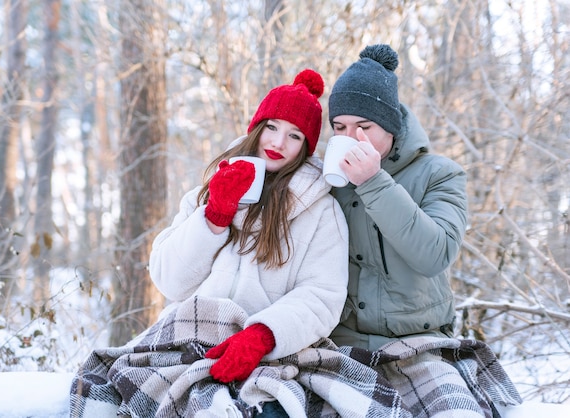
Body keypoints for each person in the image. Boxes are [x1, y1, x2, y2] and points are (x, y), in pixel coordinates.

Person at [70, 69, 351, 417]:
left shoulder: (321, 211)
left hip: (270, 352)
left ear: (306, 148)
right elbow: (169, 280)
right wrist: (214, 216)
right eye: (272, 127)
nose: (278, 143)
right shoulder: (209, 190)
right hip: (188, 338)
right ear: (256, 127)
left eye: (294, 135)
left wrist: (263, 335)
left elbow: (322, 295)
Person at [326, 44, 519, 417]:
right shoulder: (327, 177)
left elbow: (434, 254)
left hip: (419, 343)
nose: (350, 137)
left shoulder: (440, 173)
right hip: (342, 344)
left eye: (364, 127)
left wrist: (373, 183)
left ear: (391, 125)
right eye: (339, 127)